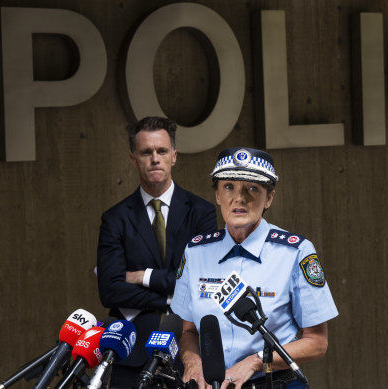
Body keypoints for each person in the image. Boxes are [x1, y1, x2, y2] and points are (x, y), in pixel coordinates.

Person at [170, 147, 338, 389]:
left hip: (272, 383)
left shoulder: (295, 252)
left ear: (269, 198)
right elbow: (188, 332)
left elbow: (317, 342)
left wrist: (255, 361)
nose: (239, 198)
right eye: (228, 187)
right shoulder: (196, 252)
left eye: (252, 189)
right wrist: (193, 363)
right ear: (217, 195)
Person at [96, 116, 217, 387]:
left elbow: (202, 282)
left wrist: (144, 276)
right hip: (131, 353)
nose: (154, 158)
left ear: (174, 156)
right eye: (146, 152)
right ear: (133, 158)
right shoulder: (115, 219)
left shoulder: (201, 213)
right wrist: (170, 298)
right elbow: (110, 290)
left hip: (190, 351)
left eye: (161, 151)